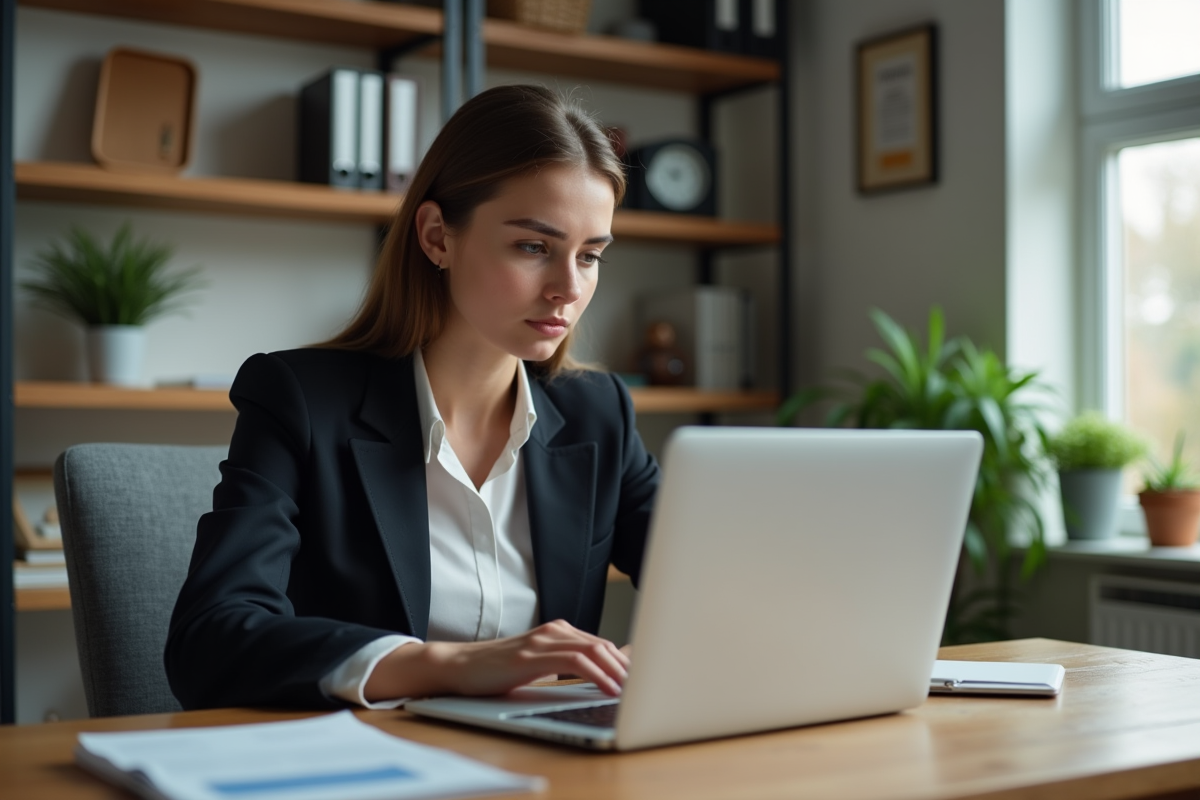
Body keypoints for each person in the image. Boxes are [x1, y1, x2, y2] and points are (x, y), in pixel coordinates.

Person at [164, 85, 660, 710]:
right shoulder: (300, 401)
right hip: (370, 751)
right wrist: (450, 665)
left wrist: (666, 655)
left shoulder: (598, 412)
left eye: (589, 256)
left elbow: (720, 584)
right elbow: (209, 643)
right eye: (534, 247)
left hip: (544, 752)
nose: (568, 287)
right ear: (436, 237)